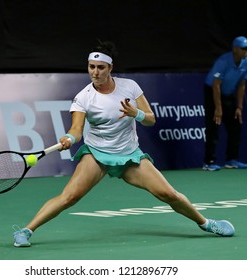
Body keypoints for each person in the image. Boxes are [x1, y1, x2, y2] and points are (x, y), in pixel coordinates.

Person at [13, 40, 235, 247]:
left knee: (168, 194)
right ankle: (26, 231)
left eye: (100, 67)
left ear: (110, 68)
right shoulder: (83, 98)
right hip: (97, 154)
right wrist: (69, 139)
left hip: (129, 155)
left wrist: (135, 113)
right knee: (69, 197)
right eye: (91, 67)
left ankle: (206, 223)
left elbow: (150, 118)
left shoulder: (130, 86)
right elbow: (76, 130)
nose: (95, 72)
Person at [202, 36, 247, 171]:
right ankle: (209, 162)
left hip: (229, 94)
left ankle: (232, 160)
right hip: (212, 91)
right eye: (243, 48)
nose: (246, 51)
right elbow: (216, 85)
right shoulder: (223, 61)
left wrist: (239, 107)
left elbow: (242, 85)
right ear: (235, 49)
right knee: (214, 126)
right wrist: (218, 108)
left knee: (236, 125)